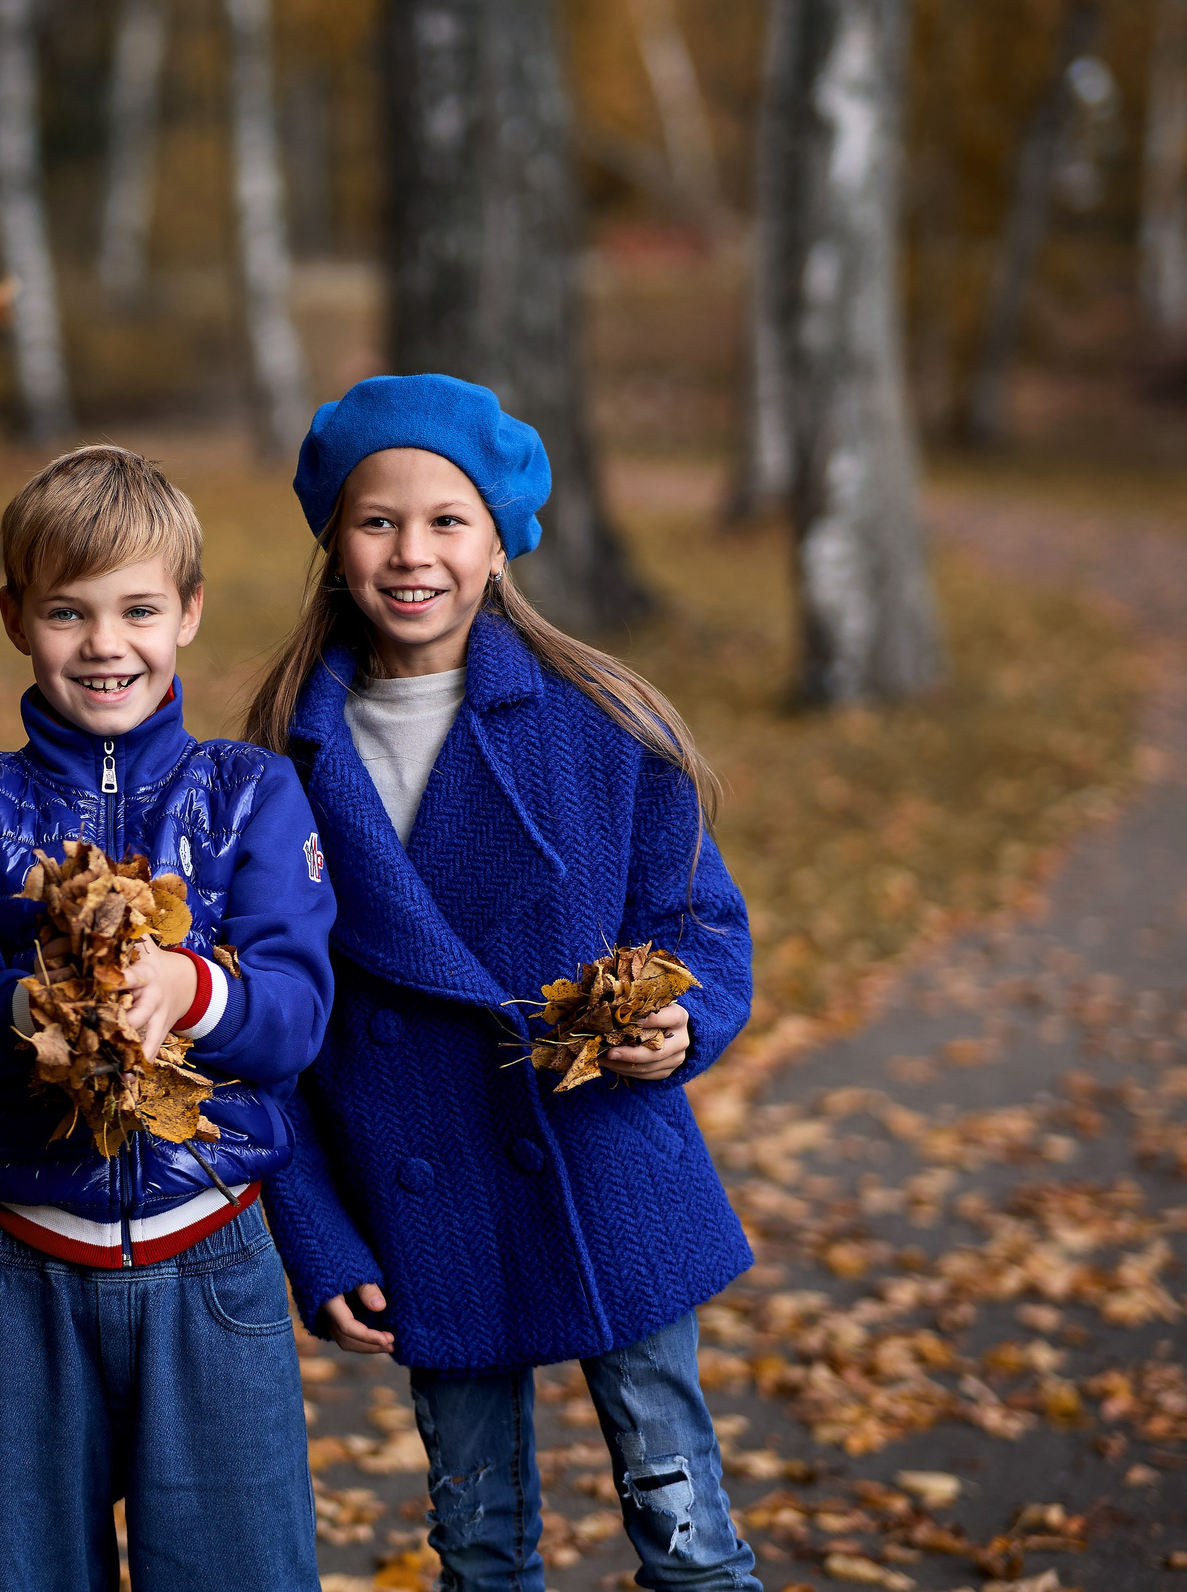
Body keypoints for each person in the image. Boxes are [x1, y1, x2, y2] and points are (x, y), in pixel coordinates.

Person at [247, 375, 764, 1592]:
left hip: (602, 1175)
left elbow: (700, 923)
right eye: (377, 521)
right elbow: (267, 1046)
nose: (410, 553)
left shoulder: (600, 724)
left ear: (498, 541)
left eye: (446, 520)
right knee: (479, 1553)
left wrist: (679, 1020)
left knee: (687, 1538)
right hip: (427, 1202)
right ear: (333, 543)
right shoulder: (274, 766)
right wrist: (315, 1233)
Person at [0, 443, 338, 1592]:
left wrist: (190, 989)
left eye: (137, 609)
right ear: (15, 618)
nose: (103, 644)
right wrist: (25, 1006)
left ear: (187, 613)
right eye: (66, 612)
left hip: (211, 1261)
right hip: (16, 1267)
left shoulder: (250, 794)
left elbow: (294, 1013)